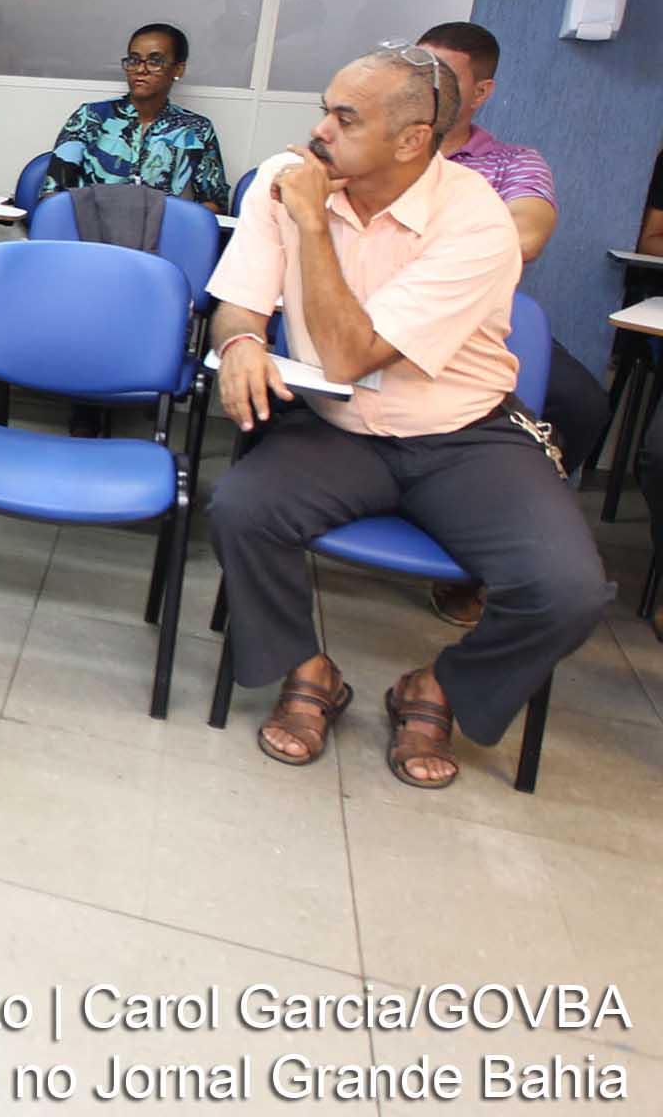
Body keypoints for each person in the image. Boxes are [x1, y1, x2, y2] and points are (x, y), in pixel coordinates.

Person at [206, 47, 609, 790]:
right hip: (337, 427)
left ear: (411, 138)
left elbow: (350, 351)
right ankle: (308, 669)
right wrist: (237, 342)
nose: (319, 130)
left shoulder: (477, 221)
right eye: (325, 107)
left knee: (567, 588)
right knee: (240, 508)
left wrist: (313, 224)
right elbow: (239, 302)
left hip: (464, 437)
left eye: (345, 117)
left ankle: (438, 689)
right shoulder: (284, 178)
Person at [414, 22, 611, 626]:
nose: (427, 89)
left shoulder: (512, 163)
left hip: (479, 328)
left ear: (482, 92)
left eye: (446, 79)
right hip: (375, 316)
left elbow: (526, 235)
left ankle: (483, 561)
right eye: (419, 74)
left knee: (580, 405)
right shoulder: (380, 147)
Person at [41, 22, 229, 210]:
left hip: (161, 232)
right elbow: (53, 193)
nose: (141, 69)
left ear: (178, 69)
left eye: (155, 61)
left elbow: (214, 203)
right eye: (134, 60)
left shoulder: (196, 130)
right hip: (89, 230)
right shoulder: (90, 118)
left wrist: (181, 227)